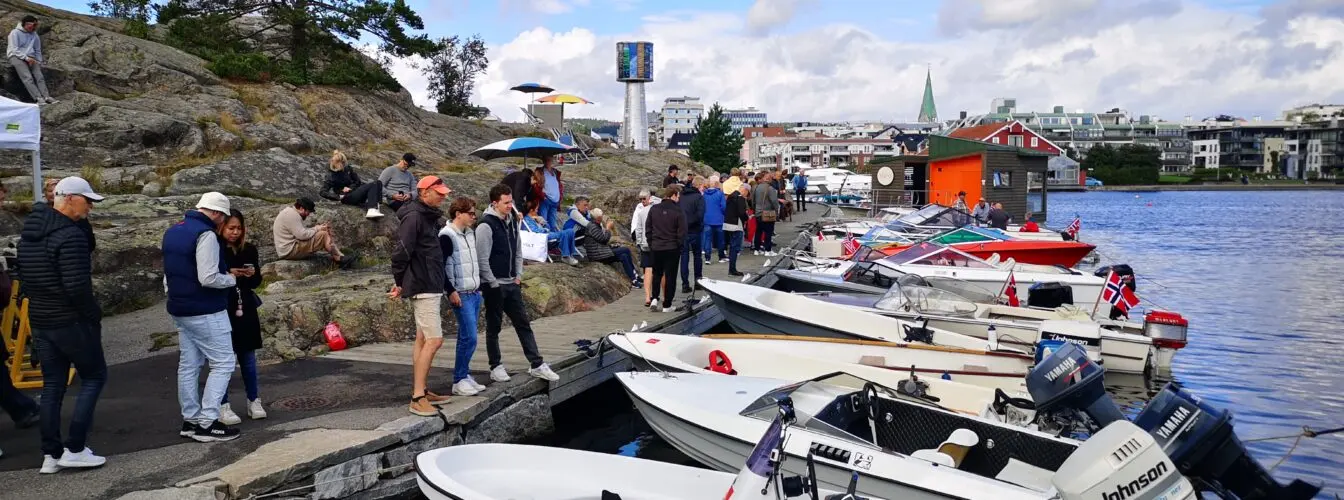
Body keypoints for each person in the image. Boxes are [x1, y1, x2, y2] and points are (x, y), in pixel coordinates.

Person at [15, 177, 106, 471]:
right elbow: (77, 287)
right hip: (71, 321)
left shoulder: (29, 233)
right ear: (67, 198)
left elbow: (25, 278)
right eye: (87, 200)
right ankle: (76, 447)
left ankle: (51, 455)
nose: (90, 207)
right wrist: (93, 315)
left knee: (53, 386)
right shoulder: (71, 235)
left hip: (41, 320)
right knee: (94, 377)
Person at [163, 192, 242, 443]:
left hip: (180, 307)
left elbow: (169, 274)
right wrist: (230, 279)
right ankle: (207, 422)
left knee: (189, 365)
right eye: (224, 218)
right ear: (217, 214)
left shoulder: (174, 231)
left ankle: (191, 420)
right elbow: (207, 277)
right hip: (206, 309)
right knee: (223, 363)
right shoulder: (205, 235)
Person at [476, 185, 560, 383]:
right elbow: (482, 259)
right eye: (506, 203)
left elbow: (518, 249)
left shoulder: (513, 221)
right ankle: (495, 365)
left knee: (523, 324)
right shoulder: (485, 225)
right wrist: (492, 283)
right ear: (494, 203)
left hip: (512, 282)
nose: (509, 206)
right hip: (494, 284)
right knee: (493, 327)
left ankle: (537, 364)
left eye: (511, 201)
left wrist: (518, 275)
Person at [389, 176, 454, 416]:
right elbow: (401, 253)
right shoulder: (415, 217)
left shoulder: (425, 215)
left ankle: (423, 390)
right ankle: (417, 397)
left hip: (429, 282)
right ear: (424, 192)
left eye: (444, 193)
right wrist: (399, 283)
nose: (443, 196)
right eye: (439, 193)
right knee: (434, 340)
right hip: (424, 284)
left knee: (422, 339)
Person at [216, 209, 267, 425]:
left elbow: (256, 282)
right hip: (223, 305)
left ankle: (253, 399)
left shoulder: (249, 250)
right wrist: (231, 274)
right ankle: (222, 403)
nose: (235, 232)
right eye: (231, 228)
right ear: (222, 228)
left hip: (245, 305)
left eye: (239, 228)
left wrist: (252, 274)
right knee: (224, 359)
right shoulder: (216, 248)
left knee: (248, 357)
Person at [438, 196, 487, 397]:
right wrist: (450, 290)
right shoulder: (447, 236)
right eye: (470, 213)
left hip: (474, 291)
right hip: (461, 293)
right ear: (458, 214)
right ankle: (458, 379)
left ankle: (464, 374)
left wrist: (480, 286)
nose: (474, 217)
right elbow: (441, 267)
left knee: (467, 337)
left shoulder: (470, 234)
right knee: (470, 337)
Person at [272, 197, 355, 268]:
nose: (308, 214)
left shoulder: (289, 212)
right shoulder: (292, 215)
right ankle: (339, 258)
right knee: (323, 235)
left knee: (322, 232)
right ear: (301, 208)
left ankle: (340, 257)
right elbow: (302, 235)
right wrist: (317, 229)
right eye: (308, 211)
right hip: (290, 251)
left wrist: (317, 228)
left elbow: (301, 233)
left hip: (286, 249)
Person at [645, 185, 685, 312]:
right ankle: (667, 304)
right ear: (673, 195)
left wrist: (652, 243)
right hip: (672, 247)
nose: (679, 198)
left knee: (657, 273)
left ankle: (655, 298)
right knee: (670, 276)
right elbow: (682, 232)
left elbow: (648, 228)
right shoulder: (678, 211)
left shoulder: (654, 209)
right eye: (678, 196)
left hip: (656, 246)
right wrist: (679, 245)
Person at [581, 208, 641, 288]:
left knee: (623, 256)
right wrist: (608, 228)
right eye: (601, 215)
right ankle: (635, 277)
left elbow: (602, 241)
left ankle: (634, 278)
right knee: (625, 250)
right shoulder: (592, 227)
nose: (603, 217)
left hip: (602, 252)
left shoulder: (595, 225)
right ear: (598, 218)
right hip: (598, 255)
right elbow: (604, 239)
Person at [320, 150, 385, 220]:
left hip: (354, 192)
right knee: (373, 184)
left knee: (378, 183)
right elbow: (322, 192)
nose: (342, 165)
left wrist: (350, 187)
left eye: (343, 163)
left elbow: (357, 181)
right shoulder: (330, 175)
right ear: (334, 162)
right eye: (338, 163)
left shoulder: (348, 169)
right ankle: (372, 210)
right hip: (346, 197)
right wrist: (338, 196)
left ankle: (375, 206)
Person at [7, 15, 56, 104]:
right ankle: (38, 98)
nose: (34, 27)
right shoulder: (15, 33)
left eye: (35, 25)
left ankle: (46, 97)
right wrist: (26, 58)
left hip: (31, 58)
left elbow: (37, 50)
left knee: (39, 76)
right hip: (16, 56)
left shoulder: (34, 35)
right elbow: (14, 49)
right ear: (25, 24)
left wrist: (39, 61)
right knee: (27, 77)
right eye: (32, 25)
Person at [43, 177, 95, 252]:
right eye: (51, 191)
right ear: (45, 193)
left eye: (57, 191)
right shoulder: (40, 218)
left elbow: (90, 243)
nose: (54, 194)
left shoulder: (78, 216)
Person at [630, 189, 662, 307]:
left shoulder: (643, 210)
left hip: (647, 243)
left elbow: (637, 227)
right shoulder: (653, 208)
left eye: (644, 199)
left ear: (649, 198)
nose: (642, 201)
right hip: (651, 244)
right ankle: (650, 297)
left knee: (651, 270)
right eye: (641, 199)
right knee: (654, 270)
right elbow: (637, 227)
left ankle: (651, 296)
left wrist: (639, 241)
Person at [678, 177, 705, 294]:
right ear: (699, 185)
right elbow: (700, 214)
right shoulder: (699, 197)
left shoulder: (681, 196)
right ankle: (698, 281)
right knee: (697, 256)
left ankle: (685, 284)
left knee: (684, 257)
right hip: (695, 230)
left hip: (683, 230)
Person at [723, 183, 750, 277]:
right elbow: (741, 212)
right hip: (736, 224)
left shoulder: (730, 196)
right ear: (745, 190)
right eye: (747, 192)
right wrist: (747, 218)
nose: (746, 195)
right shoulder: (740, 198)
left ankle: (732, 268)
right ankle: (732, 269)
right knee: (735, 248)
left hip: (727, 223)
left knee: (731, 247)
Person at [751, 172, 780, 256]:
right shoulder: (770, 188)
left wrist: (755, 209)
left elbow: (753, 200)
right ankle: (768, 250)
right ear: (768, 179)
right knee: (768, 232)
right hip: (768, 213)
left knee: (758, 231)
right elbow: (774, 201)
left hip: (758, 212)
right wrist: (776, 210)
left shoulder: (756, 187)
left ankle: (757, 249)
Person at [701, 179, 726, 265]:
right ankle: (721, 256)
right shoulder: (720, 194)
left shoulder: (704, 194)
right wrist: (723, 214)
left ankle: (707, 258)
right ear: (716, 185)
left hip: (707, 219)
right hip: (718, 219)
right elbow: (723, 206)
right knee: (720, 239)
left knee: (707, 239)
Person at [538, 156, 564, 231]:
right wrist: (543, 197)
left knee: (552, 223)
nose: (548, 162)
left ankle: (553, 240)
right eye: (546, 160)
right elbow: (536, 186)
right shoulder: (540, 171)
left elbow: (558, 185)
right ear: (544, 161)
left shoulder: (555, 171)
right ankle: (545, 239)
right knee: (544, 222)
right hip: (546, 200)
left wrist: (560, 196)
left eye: (549, 160)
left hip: (555, 201)